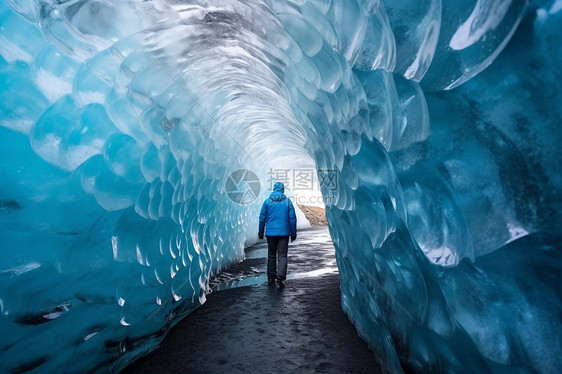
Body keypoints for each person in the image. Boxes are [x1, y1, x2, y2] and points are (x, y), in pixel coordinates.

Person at [258, 182, 297, 286]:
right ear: (282, 190)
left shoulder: (267, 202)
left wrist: (260, 231)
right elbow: (292, 218)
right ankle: (280, 276)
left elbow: (262, 218)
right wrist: (293, 233)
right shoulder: (287, 202)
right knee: (282, 255)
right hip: (284, 233)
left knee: (271, 255)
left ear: (274, 189)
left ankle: (271, 278)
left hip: (270, 233)